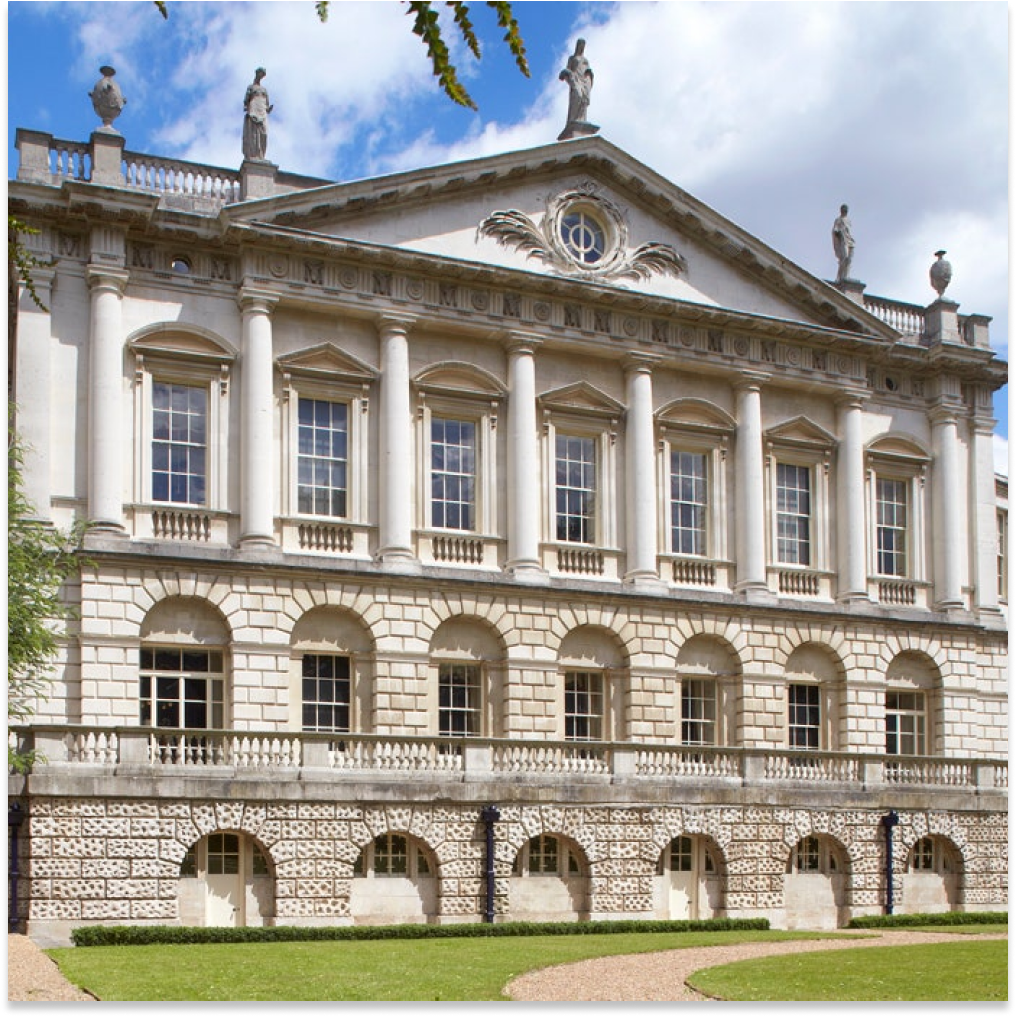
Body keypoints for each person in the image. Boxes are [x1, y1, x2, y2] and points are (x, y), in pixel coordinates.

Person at [560, 39, 594, 125]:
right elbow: (568, 69)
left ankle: (582, 119)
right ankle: (573, 118)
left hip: (584, 80)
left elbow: (588, 70)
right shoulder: (572, 58)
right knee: (578, 95)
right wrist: (566, 73)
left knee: (584, 99)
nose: (582, 47)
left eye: (583, 45)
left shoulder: (585, 60)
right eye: (580, 45)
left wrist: (589, 76)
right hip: (575, 79)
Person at [242, 68, 272, 161]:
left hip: (262, 111)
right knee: (254, 132)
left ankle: (261, 155)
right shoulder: (251, 87)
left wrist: (268, 109)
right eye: (260, 74)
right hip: (253, 109)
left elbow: (266, 104)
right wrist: (248, 107)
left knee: (264, 133)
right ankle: (253, 155)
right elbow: (246, 101)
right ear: (257, 74)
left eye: (262, 75)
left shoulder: (264, 90)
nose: (261, 76)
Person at [831, 204, 855, 283]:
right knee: (844, 257)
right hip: (843, 240)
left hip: (850, 240)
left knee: (849, 259)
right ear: (841, 210)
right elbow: (835, 230)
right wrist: (838, 232)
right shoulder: (838, 219)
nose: (845, 210)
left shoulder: (848, 220)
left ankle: (846, 276)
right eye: (844, 209)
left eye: (846, 209)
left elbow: (849, 230)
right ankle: (839, 277)